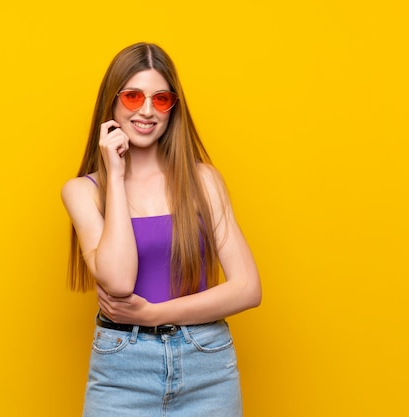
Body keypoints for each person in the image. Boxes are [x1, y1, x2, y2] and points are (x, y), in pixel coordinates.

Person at [61, 42, 261, 417]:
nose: (147, 111)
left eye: (162, 99)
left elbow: (248, 288)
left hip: (207, 364)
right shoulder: (82, 192)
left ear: (174, 108)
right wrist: (116, 176)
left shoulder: (204, 181)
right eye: (134, 97)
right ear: (112, 104)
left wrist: (153, 314)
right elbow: (119, 282)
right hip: (122, 369)